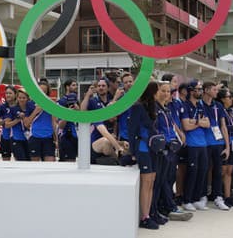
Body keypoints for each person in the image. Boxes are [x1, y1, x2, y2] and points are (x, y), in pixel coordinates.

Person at [154, 81, 192, 222]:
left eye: (168, 91)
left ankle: (167, 205)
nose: (166, 94)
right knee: (162, 179)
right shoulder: (154, 108)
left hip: (172, 147)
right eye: (163, 91)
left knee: (170, 178)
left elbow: (172, 124)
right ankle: (167, 207)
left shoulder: (167, 109)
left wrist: (180, 133)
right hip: (162, 148)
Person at [128, 82, 161, 229]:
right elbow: (132, 131)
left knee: (152, 181)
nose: (161, 93)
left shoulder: (153, 107)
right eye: (159, 90)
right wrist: (133, 152)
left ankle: (149, 213)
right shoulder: (137, 107)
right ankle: (144, 217)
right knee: (146, 182)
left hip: (153, 148)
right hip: (142, 148)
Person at [81, 78, 126, 164]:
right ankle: (119, 159)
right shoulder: (93, 101)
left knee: (125, 145)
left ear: (108, 88)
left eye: (103, 86)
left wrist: (119, 140)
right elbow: (82, 111)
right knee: (106, 141)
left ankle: (120, 157)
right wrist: (87, 95)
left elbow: (113, 119)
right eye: (99, 86)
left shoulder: (111, 100)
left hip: (110, 140)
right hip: (96, 143)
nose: (101, 88)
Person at [181, 80, 210, 211]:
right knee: (192, 172)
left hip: (202, 143)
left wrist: (195, 122)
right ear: (191, 91)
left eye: (200, 89)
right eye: (198, 89)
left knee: (202, 171)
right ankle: (187, 200)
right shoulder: (185, 105)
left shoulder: (201, 105)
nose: (200, 91)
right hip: (192, 144)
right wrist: (199, 122)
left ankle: (197, 199)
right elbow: (186, 126)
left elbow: (208, 123)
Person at [202, 81, 231, 210]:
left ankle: (218, 197)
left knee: (218, 171)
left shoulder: (218, 105)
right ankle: (202, 196)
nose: (216, 92)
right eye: (214, 89)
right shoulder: (199, 104)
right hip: (205, 143)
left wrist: (227, 145)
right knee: (205, 170)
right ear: (206, 90)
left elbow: (223, 125)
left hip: (218, 142)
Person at [25, 80, 57, 162]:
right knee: (34, 165)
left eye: (44, 91)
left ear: (47, 92)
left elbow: (54, 122)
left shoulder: (51, 103)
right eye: (40, 91)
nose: (42, 93)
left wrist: (56, 139)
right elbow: (26, 123)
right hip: (35, 137)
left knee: (50, 164)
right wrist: (36, 111)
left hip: (48, 138)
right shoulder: (30, 104)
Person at [4, 88, 35, 161]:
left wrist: (25, 118)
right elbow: (7, 125)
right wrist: (17, 120)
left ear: (27, 99)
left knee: (30, 161)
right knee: (21, 160)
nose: (21, 100)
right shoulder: (13, 109)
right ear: (17, 98)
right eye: (20, 98)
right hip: (16, 139)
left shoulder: (31, 108)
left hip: (29, 139)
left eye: (24, 98)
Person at [56, 79, 79, 162]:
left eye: (76, 85)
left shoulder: (77, 102)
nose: (76, 87)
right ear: (67, 87)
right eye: (73, 85)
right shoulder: (61, 102)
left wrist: (78, 110)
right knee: (67, 162)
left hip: (75, 135)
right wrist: (68, 113)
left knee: (73, 161)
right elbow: (60, 124)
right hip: (65, 136)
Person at [0, 86, 18, 161]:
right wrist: (3, 121)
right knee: (5, 160)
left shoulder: (19, 106)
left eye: (10, 93)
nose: (8, 95)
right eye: (6, 93)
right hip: (5, 137)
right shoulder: (2, 107)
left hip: (17, 137)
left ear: (15, 94)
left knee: (19, 159)